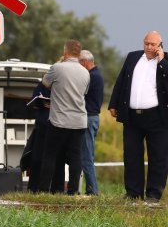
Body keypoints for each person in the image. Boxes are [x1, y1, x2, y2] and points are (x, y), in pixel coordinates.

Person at [108, 31, 168, 202]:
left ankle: (153, 194)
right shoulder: (133, 57)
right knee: (131, 155)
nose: (149, 47)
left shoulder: (165, 61)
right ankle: (133, 193)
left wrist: (161, 61)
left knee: (158, 156)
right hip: (132, 116)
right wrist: (113, 103)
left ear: (160, 45)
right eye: (146, 43)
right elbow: (121, 81)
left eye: (153, 44)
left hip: (157, 117)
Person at [38, 40, 90, 194]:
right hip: (79, 121)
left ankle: (43, 190)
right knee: (75, 157)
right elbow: (84, 92)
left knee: (50, 155)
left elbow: (45, 83)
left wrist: (59, 62)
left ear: (65, 52)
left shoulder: (58, 68)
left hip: (59, 120)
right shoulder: (85, 72)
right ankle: (73, 191)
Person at [79, 50, 104, 195]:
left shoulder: (91, 77)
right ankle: (91, 189)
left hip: (88, 118)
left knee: (86, 156)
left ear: (84, 62)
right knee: (88, 155)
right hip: (93, 118)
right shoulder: (97, 75)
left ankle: (92, 191)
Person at [25, 82, 51, 192]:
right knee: (36, 158)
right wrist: (41, 103)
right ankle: (32, 188)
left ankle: (46, 189)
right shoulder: (41, 85)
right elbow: (33, 102)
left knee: (50, 159)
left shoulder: (61, 84)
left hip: (55, 126)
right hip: (40, 126)